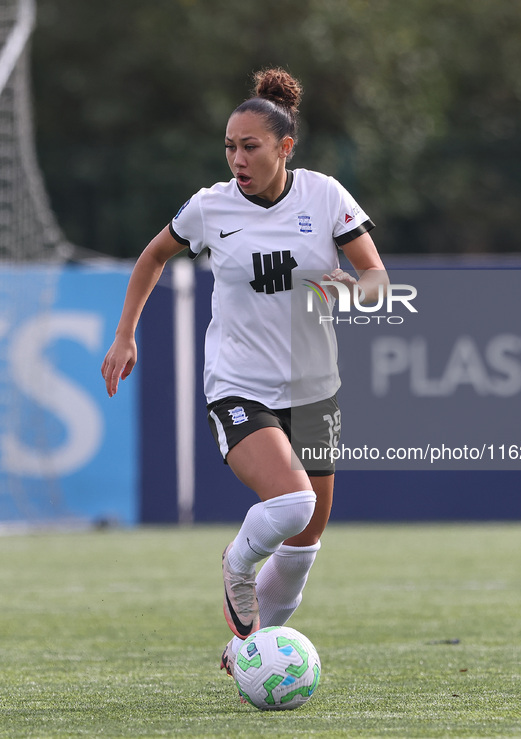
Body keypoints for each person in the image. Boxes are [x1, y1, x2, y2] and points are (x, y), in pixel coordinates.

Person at [101, 67, 388, 678]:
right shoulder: (209, 207)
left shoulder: (326, 196)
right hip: (239, 385)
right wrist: (125, 333)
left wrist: (354, 290)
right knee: (290, 503)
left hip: (315, 390)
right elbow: (154, 255)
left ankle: (251, 653)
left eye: (250, 145)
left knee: (304, 546)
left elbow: (377, 280)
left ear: (285, 148)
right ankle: (237, 563)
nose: (237, 157)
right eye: (230, 146)